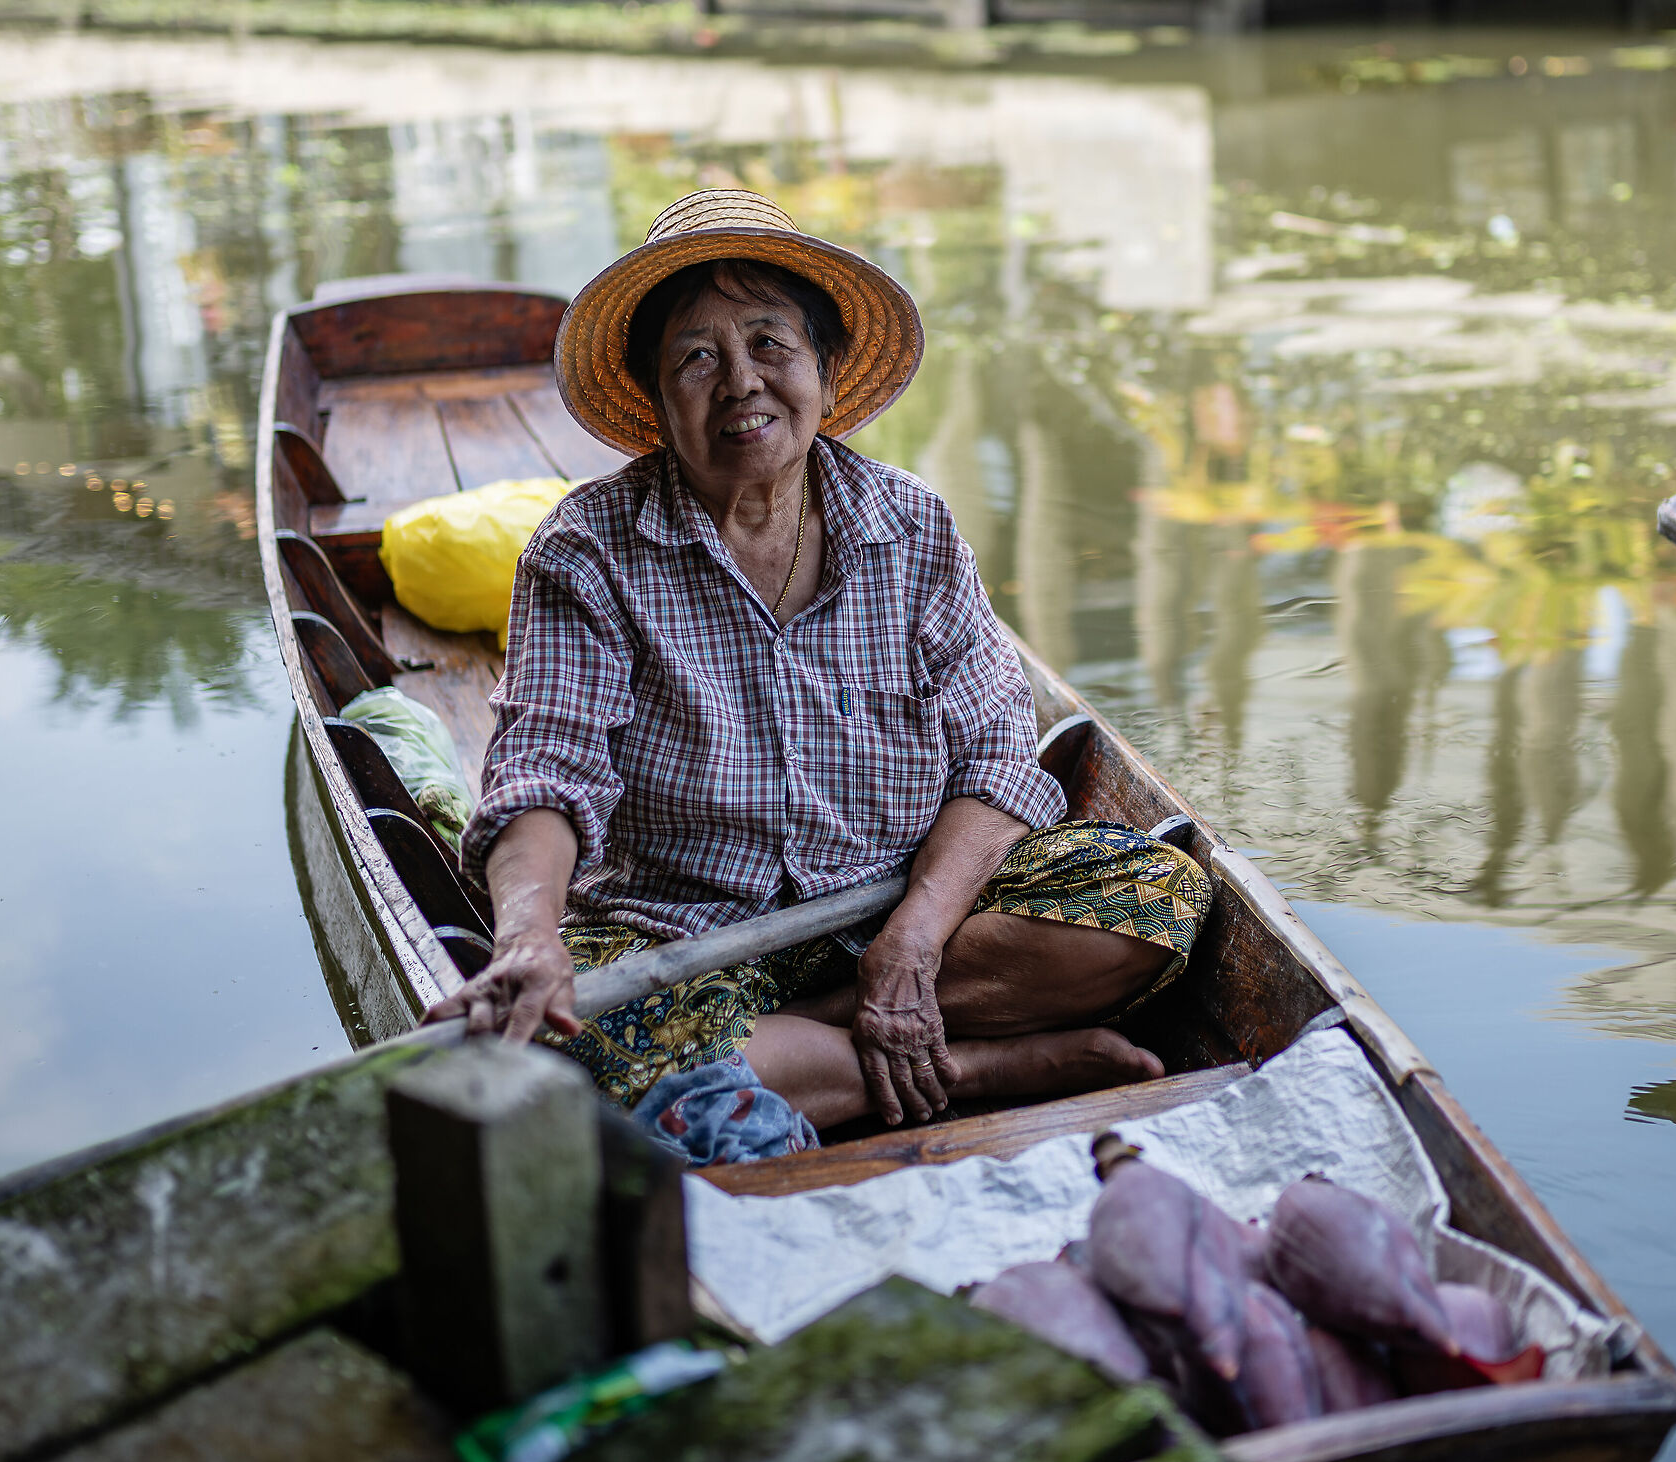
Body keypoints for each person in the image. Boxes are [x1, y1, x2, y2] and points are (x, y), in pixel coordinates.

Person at [427, 189, 1211, 1154]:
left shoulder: (912, 527)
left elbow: (1002, 761)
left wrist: (915, 937)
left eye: (770, 345)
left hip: (903, 908)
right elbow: (546, 771)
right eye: (697, 358)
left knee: (1154, 894)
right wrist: (528, 937)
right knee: (575, 1048)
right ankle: (978, 1065)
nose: (741, 382)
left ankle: (809, 1046)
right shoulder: (587, 552)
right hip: (681, 939)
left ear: (826, 373)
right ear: (657, 401)